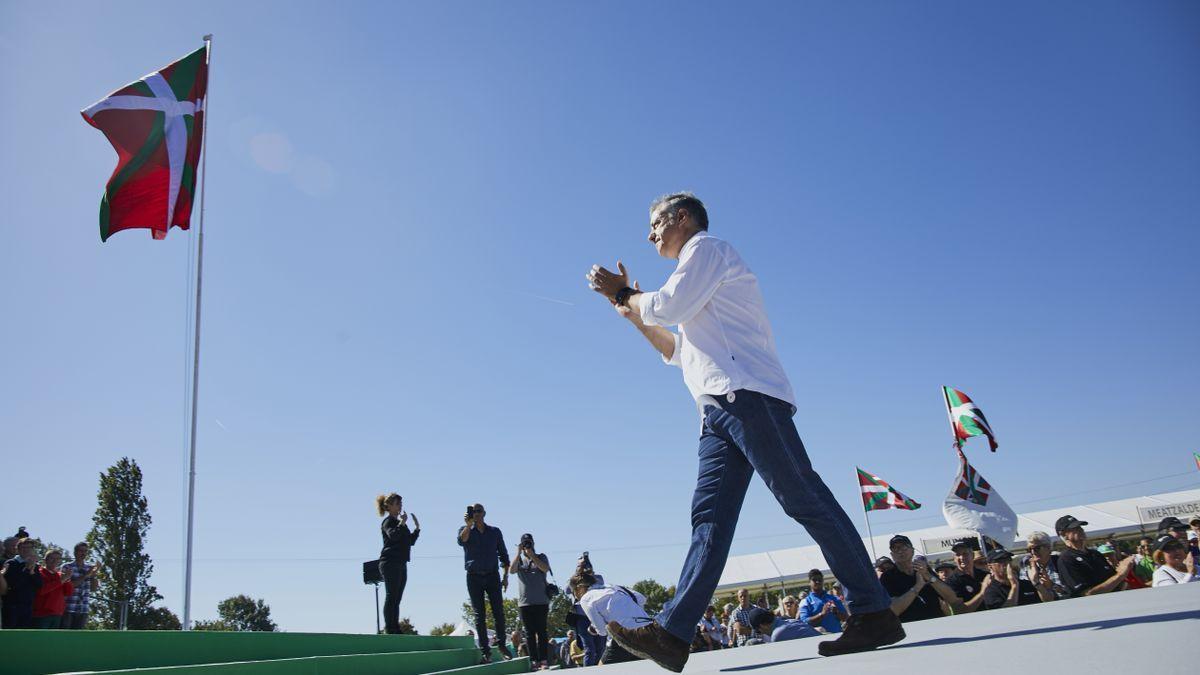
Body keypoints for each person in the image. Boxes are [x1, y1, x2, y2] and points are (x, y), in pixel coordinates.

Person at [587, 192, 902, 671]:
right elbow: (675, 348)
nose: (649, 235)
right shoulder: (690, 278)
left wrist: (624, 293)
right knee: (708, 521)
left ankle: (873, 609)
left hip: (747, 396)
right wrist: (629, 309)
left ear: (683, 218)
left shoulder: (708, 250)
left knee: (805, 501)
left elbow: (668, 306)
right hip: (716, 409)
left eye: (655, 224)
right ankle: (673, 635)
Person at [458, 503, 513, 663]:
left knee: (498, 611)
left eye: (479, 511)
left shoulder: (494, 532)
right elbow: (462, 541)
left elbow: (503, 555)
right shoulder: (465, 529)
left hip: (492, 575)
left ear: (484, 513)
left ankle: (502, 644)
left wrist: (505, 576)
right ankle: (485, 651)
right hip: (474, 576)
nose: (476, 514)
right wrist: (468, 526)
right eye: (473, 512)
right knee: (479, 615)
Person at [570, 569, 649, 665]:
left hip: (623, 634)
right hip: (647, 629)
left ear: (580, 588)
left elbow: (602, 631)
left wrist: (593, 629)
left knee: (602, 671)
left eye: (573, 591)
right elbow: (641, 598)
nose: (575, 596)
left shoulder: (586, 598)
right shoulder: (613, 587)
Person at [879, 535, 959, 623]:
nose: (900, 551)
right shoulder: (888, 577)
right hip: (912, 627)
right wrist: (918, 586)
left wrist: (929, 576)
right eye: (896, 548)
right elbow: (894, 610)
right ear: (892, 555)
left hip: (937, 622)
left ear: (912, 550)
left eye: (904, 547)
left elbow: (952, 598)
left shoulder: (924, 569)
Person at [1054, 515, 1132, 597]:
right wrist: (1120, 575)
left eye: (1080, 527)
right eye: (1075, 528)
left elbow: (1117, 583)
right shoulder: (1066, 559)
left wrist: (1124, 573)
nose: (1081, 529)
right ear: (1063, 534)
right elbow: (1087, 594)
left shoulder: (1095, 554)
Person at [376, 492, 420, 635]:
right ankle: (390, 628)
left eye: (400, 503)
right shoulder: (388, 521)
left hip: (401, 562)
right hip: (389, 562)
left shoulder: (401, 524)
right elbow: (393, 535)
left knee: (397, 597)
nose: (400, 506)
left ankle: (395, 627)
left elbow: (409, 541)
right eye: (397, 503)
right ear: (389, 506)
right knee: (391, 595)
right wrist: (402, 523)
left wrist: (417, 528)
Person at [509, 533, 552, 670]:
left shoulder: (541, 557)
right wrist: (518, 553)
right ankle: (534, 660)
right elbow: (511, 570)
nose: (528, 545)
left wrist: (532, 555)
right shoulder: (520, 561)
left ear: (533, 543)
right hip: (525, 603)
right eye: (525, 543)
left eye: (529, 542)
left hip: (541, 602)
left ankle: (544, 660)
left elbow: (545, 568)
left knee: (542, 632)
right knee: (529, 634)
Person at [980, 549, 1049, 609]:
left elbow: (1049, 602)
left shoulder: (1025, 584)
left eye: (1008, 559)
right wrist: (1014, 586)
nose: (1006, 563)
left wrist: (1036, 582)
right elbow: (1004, 613)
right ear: (990, 566)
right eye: (1001, 561)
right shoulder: (991, 590)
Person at [2, 538, 43, 628]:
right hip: (12, 605)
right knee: (11, 633)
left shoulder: (34, 565)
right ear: (18, 549)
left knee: (24, 633)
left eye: (29, 547)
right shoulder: (11, 563)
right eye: (23, 547)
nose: (26, 550)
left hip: (28, 605)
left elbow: (39, 585)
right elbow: (14, 584)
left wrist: (32, 571)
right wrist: (26, 569)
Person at [32, 548, 74, 628]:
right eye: (52, 558)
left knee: (52, 639)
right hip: (42, 614)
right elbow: (42, 590)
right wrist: (61, 580)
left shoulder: (60, 575)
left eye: (58, 559)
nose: (55, 561)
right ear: (45, 560)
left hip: (57, 613)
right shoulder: (40, 573)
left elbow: (68, 592)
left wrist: (67, 579)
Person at [945, 539, 991, 612]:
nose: (962, 558)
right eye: (958, 555)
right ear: (954, 558)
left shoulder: (985, 575)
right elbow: (961, 610)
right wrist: (982, 593)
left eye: (965, 554)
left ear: (972, 555)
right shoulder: (951, 582)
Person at [62, 542, 99, 629]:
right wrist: (86, 575)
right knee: (64, 636)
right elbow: (68, 586)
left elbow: (93, 589)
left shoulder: (89, 568)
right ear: (75, 552)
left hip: (83, 609)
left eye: (86, 551)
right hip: (68, 608)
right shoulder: (67, 567)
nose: (83, 553)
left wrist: (93, 576)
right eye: (81, 551)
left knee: (77, 638)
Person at [798, 569, 846, 634]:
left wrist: (836, 612)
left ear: (823, 581)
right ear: (809, 582)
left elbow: (845, 618)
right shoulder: (805, 601)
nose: (817, 582)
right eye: (814, 580)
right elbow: (805, 622)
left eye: (820, 579)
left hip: (836, 637)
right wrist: (822, 614)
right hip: (817, 639)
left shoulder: (834, 598)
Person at [748, 606, 818, 644]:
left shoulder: (777, 636)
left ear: (762, 626)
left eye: (758, 631)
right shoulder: (790, 621)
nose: (761, 633)